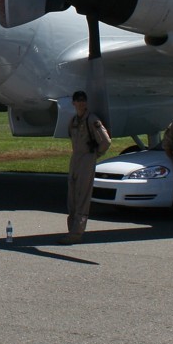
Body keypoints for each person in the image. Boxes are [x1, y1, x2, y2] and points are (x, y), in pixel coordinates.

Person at [61, 90, 110, 244]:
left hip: (87, 159)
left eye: (84, 100)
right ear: (73, 103)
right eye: (78, 100)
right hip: (76, 158)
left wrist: (94, 155)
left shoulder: (92, 120)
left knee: (82, 195)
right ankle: (71, 229)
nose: (81, 103)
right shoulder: (74, 121)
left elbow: (106, 141)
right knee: (72, 196)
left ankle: (76, 234)